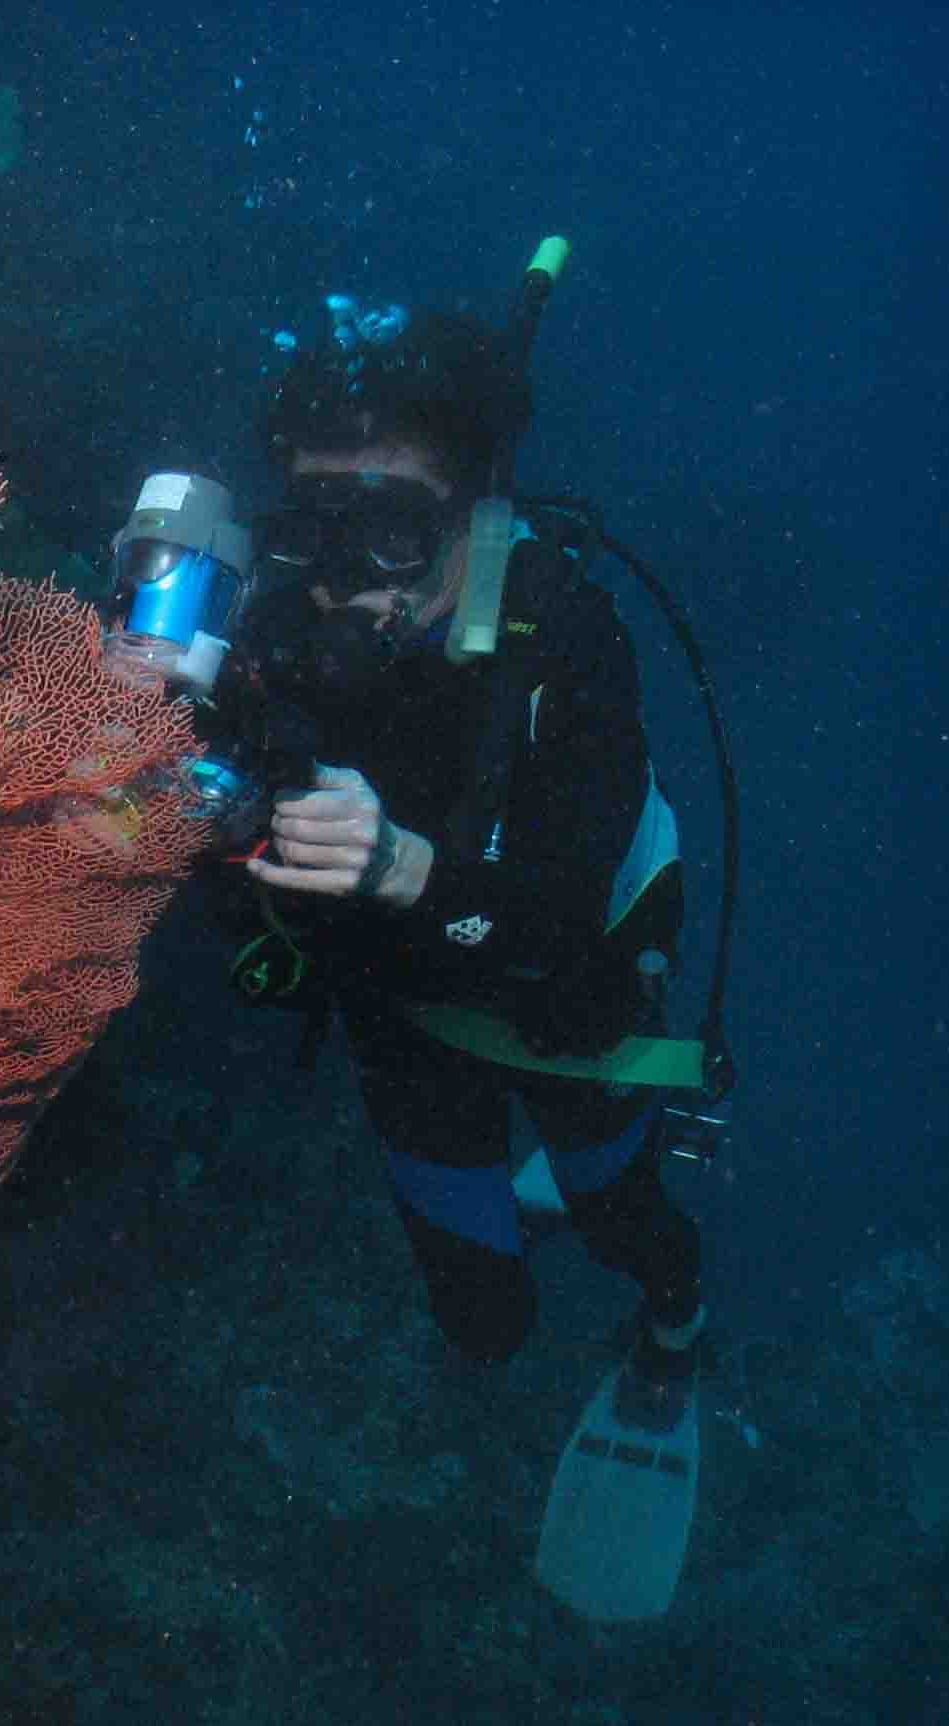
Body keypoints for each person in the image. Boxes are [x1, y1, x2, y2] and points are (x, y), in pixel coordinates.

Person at [225, 299, 702, 1430]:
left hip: (577, 1006)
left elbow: (555, 931)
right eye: (313, 527)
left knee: (627, 1230)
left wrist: (403, 870)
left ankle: (677, 1330)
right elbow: (238, 899)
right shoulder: (272, 630)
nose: (343, 581)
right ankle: (525, 1209)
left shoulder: (565, 635)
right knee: (484, 1324)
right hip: (409, 1019)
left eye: (390, 532)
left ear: (476, 515)